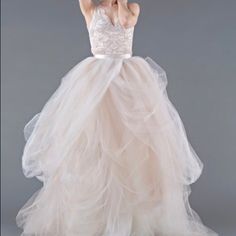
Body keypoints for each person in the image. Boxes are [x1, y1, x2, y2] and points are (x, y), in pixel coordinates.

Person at [16, 0, 218, 235]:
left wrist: (119, 2)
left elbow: (125, 21)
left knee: (132, 148)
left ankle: (133, 220)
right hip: (95, 82)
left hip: (128, 80)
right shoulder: (90, 9)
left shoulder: (131, 8)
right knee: (94, 147)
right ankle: (94, 221)